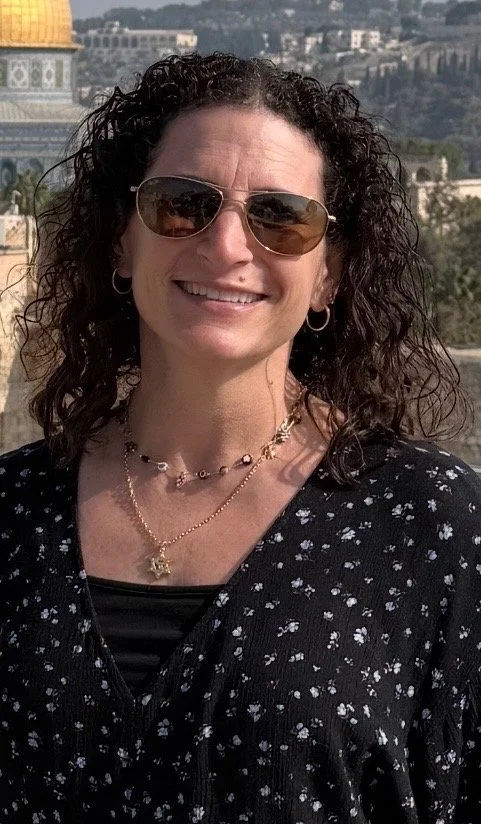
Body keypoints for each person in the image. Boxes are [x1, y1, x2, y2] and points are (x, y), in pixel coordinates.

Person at [1, 52, 480, 824]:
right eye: (182, 205)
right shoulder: (14, 512)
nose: (226, 246)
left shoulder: (429, 524)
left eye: (281, 218)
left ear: (328, 274)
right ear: (121, 240)